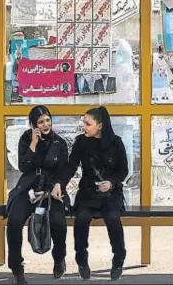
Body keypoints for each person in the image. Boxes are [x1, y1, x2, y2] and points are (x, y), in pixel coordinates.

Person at [52, 106, 128, 281]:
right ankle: (82, 261)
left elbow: (123, 170)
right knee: (81, 218)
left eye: (88, 123)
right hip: (87, 192)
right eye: (83, 123)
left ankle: (118, 259)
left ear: (100, 125)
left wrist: (111, 183)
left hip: (111, 193)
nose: (84, 126)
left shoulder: (116, 142)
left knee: (112, 218)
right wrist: (59, 183)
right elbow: (71, 166)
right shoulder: (81, 142)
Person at [3, 105, 69, 285]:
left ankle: (59, 258)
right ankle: (17, 268)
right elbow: (23, 166)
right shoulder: (26, 139)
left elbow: (65, 171)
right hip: (28, 187)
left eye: (48, 120)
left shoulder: (59, 143)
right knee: (14, 221)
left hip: (52, 188)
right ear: (33, 125)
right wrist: (33, 143)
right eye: (40, 122)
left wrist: (57, 186)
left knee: (58, 221)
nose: (45, 125)